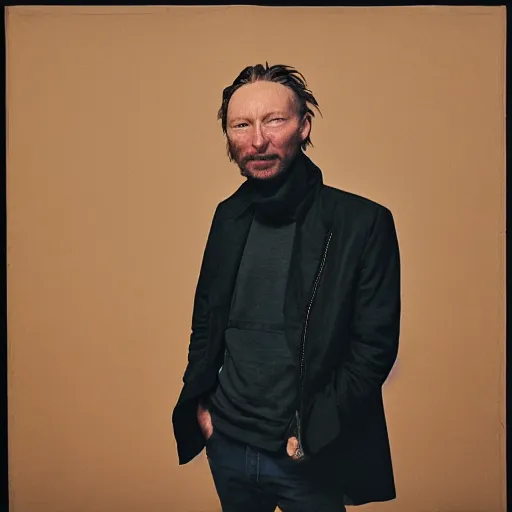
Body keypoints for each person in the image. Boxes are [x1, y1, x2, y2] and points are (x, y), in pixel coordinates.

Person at [172, 62, 401, 512]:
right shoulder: (228, 216)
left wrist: (312, 435)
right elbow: (207, 322)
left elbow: (373, 348)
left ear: (303, 126)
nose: (258, 140)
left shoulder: (361, 222)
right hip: (228, 446)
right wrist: (203, 412)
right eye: (242, 124)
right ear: (229, 137)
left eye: (274, 120)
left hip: (305, 455)